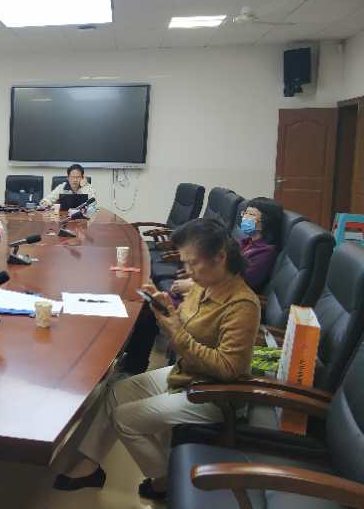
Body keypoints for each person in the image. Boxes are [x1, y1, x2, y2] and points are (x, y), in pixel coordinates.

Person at [53, 218, 259, 501]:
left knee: (124, 418)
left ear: (220, 257)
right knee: (116, 392)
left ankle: (164, 482)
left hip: (215, 395)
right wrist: (166, 310)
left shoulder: (242, 304)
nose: (188, 271)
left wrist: (175, 330)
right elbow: (184, 324)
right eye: (185, 263)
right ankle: (90, 466)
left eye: (193, 263)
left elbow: (228, 369)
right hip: (187, 373)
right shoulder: (204, 284)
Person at [120, 197, 283, 376]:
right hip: (204, 301)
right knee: (149, 306)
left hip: (216, 307)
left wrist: (190, 288)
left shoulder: (263, 255)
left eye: (251, 215)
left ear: (266, 221)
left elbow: (235, 281)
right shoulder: (243, 243)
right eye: (245, 213)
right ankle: (131, 364)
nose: (245, 218)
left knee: (146, 311)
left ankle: (133, 366)